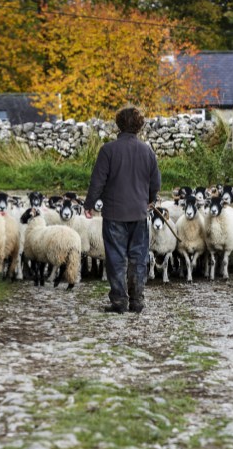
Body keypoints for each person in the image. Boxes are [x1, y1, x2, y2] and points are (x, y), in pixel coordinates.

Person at [83, 106, 161, 314]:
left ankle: (119, 302)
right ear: (139, 126)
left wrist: (89, 204)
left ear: (118, 124)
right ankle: (137, 300)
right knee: (138, 257)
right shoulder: (147, 151)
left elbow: (97, 181)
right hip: (139, 214)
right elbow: (156, 183)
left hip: (114, 214)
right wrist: (149, 200)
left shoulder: (108, 150)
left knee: (116, 258)